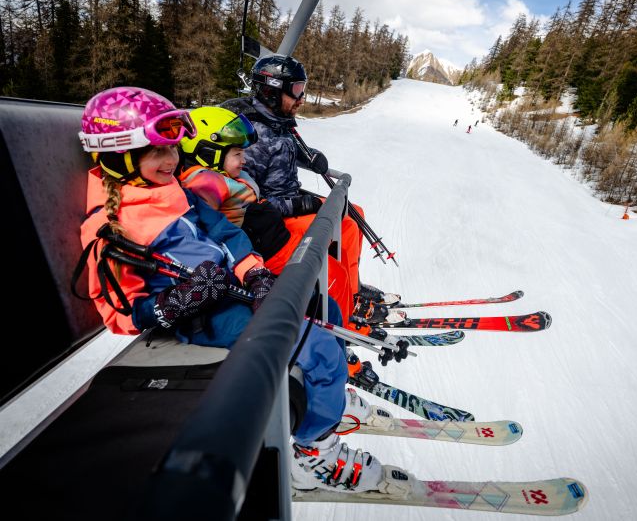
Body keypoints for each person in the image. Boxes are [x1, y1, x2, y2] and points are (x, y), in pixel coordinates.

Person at [76, 86, 405, 495]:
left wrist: (254, 272)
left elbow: (225, 231)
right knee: (318, 346)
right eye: (157, 151)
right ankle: (314, 455)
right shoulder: (111, 229)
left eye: (173, 149)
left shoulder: (170, 191)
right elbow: (119, 313)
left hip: (235, 292)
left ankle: (330, 393)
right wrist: (179, 300)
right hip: (203, 319)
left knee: (325, 311)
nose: (171, 160)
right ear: (117, 154)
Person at [220, 54, 389, 319]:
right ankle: (343, 308)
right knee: (334, 248)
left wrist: (309, 156)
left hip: (290, 200)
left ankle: (352, 291)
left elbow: (284, 149)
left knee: (353, 214)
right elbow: (248, 201)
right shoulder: (250, 137)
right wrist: (299, 204)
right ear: (272, 90)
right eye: (296, 90)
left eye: (302, 89)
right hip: (274, 217)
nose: (301, 99)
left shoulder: (277, 120)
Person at [178, 106, 353, 328]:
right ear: (208, 152)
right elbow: (206, 231)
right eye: (237, 154)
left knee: (331, 254)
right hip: (265, 252)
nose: (244, 160)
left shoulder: (224, 174)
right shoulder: (206, 183)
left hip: (274, 238)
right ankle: (341, 330)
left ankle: (346, 313)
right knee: (331, 274)